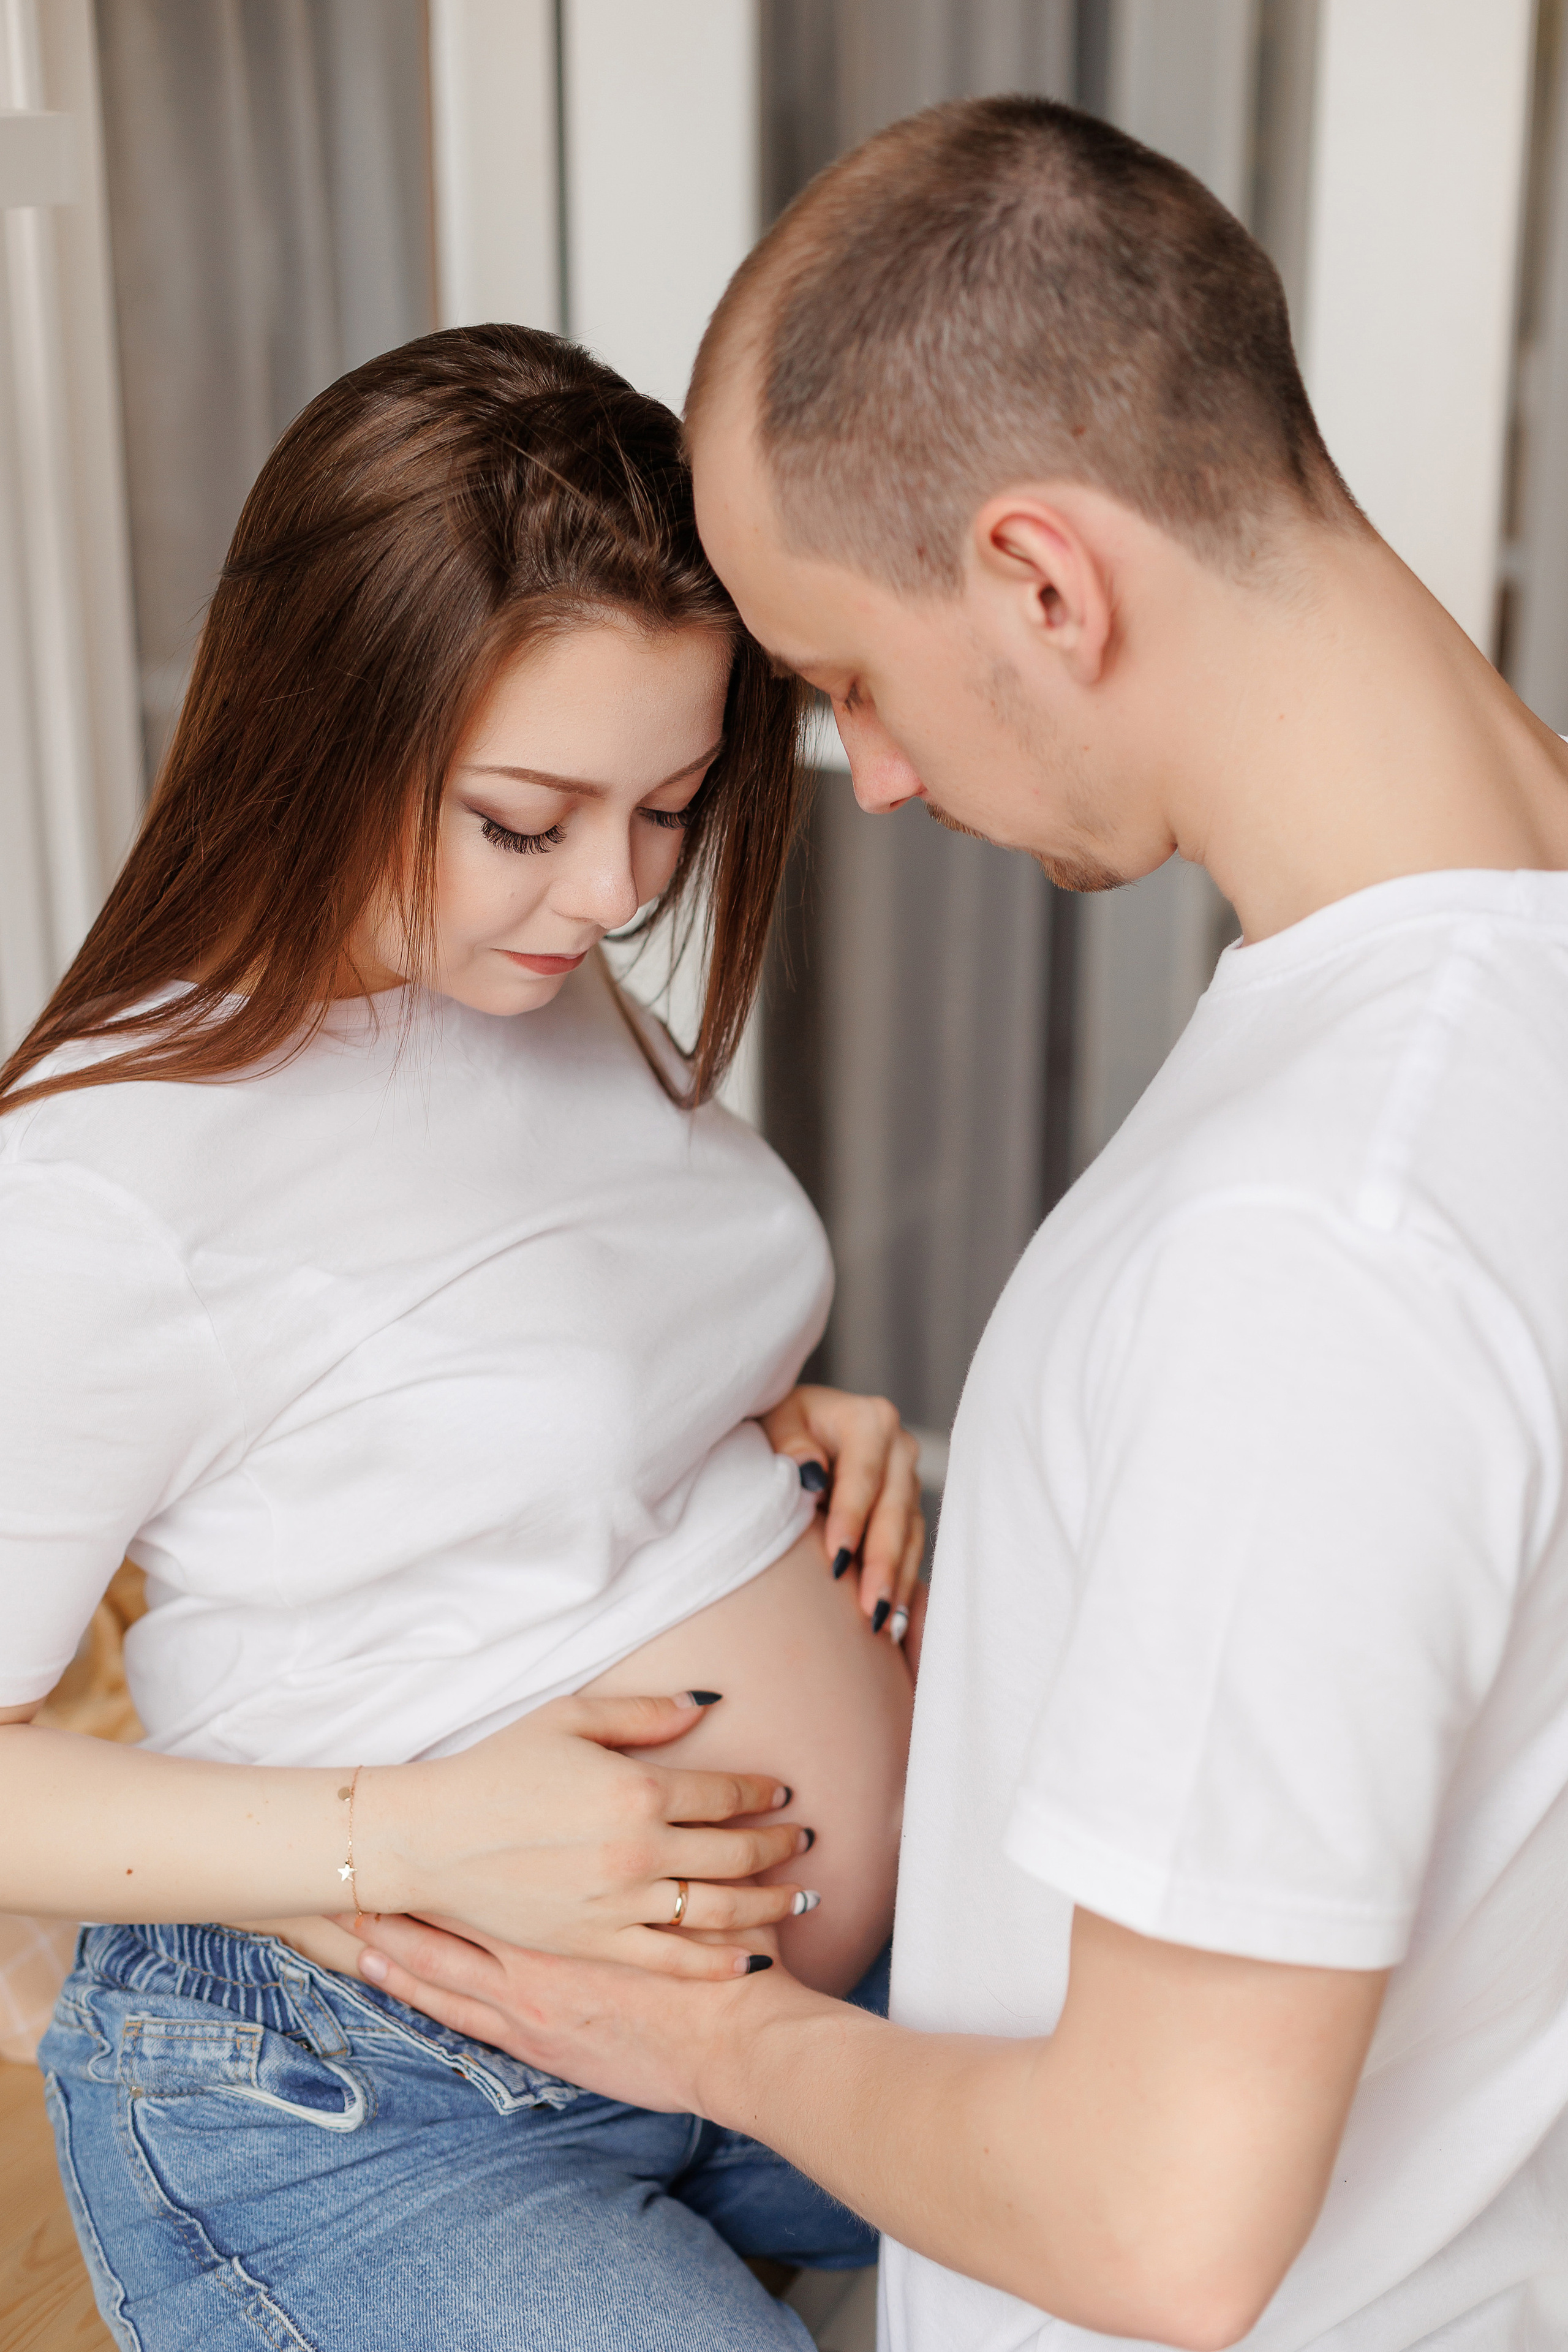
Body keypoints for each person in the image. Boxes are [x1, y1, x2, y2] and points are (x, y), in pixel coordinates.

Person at [344, 97, 1568, 2352]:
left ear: (1040, 576)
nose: (877, 777)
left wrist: (708, 2044)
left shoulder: (1319, 1232)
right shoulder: (1483, 1019)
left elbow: (1154, 2222)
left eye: (846, 681)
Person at [0, 325, 926, 2352]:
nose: (612, 891)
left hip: (756, 2011)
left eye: (671, 807)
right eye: (530, 816)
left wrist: (773, 1418)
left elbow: (489, 1330)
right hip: (380, 2082)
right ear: (327, 730)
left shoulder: (511, 969)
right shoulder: (104, 1183)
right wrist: (408, 1836)